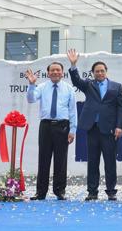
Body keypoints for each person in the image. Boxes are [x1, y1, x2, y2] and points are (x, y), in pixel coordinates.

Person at [67, 48, 122, 201]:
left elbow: (121, 108)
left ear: (106, 71)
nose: (99, 73)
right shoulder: (88, 85)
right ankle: (92, 191)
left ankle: (111, 191)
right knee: (93, 161)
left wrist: (119, 126)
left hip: (109, 129)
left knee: (110, 162)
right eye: (96, 71)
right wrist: (73, 65)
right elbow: (76, 81)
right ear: (93, 73)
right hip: (92, 128)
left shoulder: (116, 87)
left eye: (102, 71)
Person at [26, 61, 77, 201]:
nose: (55, 72)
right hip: (46, 126)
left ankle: (60, 191)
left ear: (62, 72)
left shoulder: (69, 88)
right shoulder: (41, 87)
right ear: (48, 73)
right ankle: (40, 192)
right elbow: (31, 99)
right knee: (43, 159)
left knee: (61, 160)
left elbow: (73, 110)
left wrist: (72, 130)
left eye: (58, 70)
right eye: (52, 70)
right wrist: (31, 85)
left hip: (63, 126)